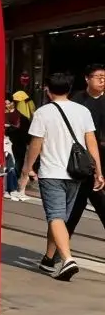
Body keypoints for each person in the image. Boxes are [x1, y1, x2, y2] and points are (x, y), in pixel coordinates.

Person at [17, 72, 103, 281]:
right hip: (77, 173)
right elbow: (91, 142)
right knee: (60, 219)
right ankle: (48, 259)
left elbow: (36, 143)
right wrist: (98, 171)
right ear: (70, 88)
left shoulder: (43, 112)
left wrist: (26, 170)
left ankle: (67, 259)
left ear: (47, 89)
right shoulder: (82, 111)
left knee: (55, 216)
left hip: (52, 172)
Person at [67, 63, 105, 238]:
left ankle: (58, 249)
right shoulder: (77, 100)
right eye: (98, 77)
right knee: (77, 203)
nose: (102, 80)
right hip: (82, 159)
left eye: (104, 77)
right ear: (87, 79)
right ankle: (61, 245)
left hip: (102, 158)